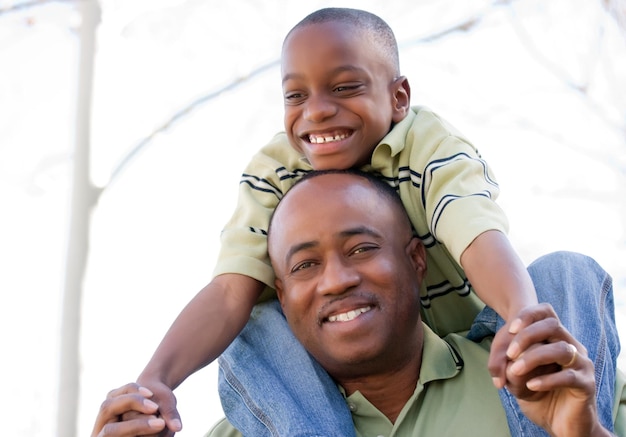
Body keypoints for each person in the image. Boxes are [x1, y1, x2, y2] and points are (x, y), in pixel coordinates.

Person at [128, 7, 618, 437]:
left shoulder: (428, 144)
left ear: (399, 97)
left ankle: (548, 426)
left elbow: (477, 234)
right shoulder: (274, 172)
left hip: (481, 339)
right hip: (323, 379)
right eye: (295, 97)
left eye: (344, 87)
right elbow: (230, 290)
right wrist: (154, 381)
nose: (317, 110)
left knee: (566, 271)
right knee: (251, 330)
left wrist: (520, 319)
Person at [92, 170, 625, 437]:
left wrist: (580, 434)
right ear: (282, 295)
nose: (336, 280)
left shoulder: (561, 385)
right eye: (304, 265)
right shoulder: (251, 425)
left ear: (417, 261)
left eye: (362, 248)